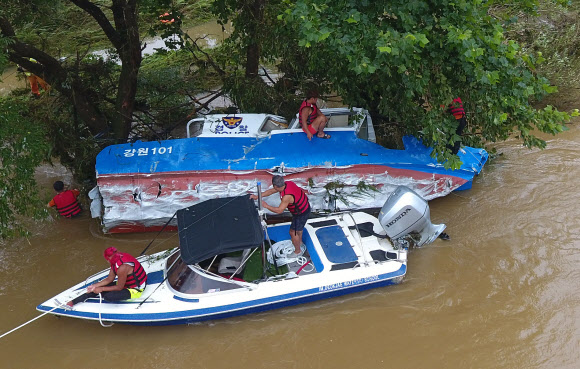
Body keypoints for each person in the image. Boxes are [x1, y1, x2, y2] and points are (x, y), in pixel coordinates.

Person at [65, 247, 148, 308]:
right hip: (125, 283)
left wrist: (102, 289)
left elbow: (119, 287)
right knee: (97, 288)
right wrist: (95, 286)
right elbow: (109, 279)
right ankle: (73, 302)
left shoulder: (122, 268)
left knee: (108, 296)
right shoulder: (116, 261)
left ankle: (103, 293)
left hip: (135, 288)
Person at [250, 176, 311, 256]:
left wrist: (266, 205)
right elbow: (271, 191)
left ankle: (297, 251)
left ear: (275, 185)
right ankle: (299, 242)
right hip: (305, 207)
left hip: (300, 213)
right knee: (298, 229)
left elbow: (279, 210)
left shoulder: (286, 197)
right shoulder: (288, 183)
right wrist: (257, 196)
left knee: (293, 232)